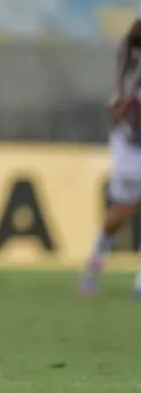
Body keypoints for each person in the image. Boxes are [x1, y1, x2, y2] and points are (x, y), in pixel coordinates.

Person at [80, 15, 141, 296]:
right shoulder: (132, 69)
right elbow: (117, 107)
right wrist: (124, 116)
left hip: (128, 142)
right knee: (120, 213)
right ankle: (93, 266)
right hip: (131, 148)